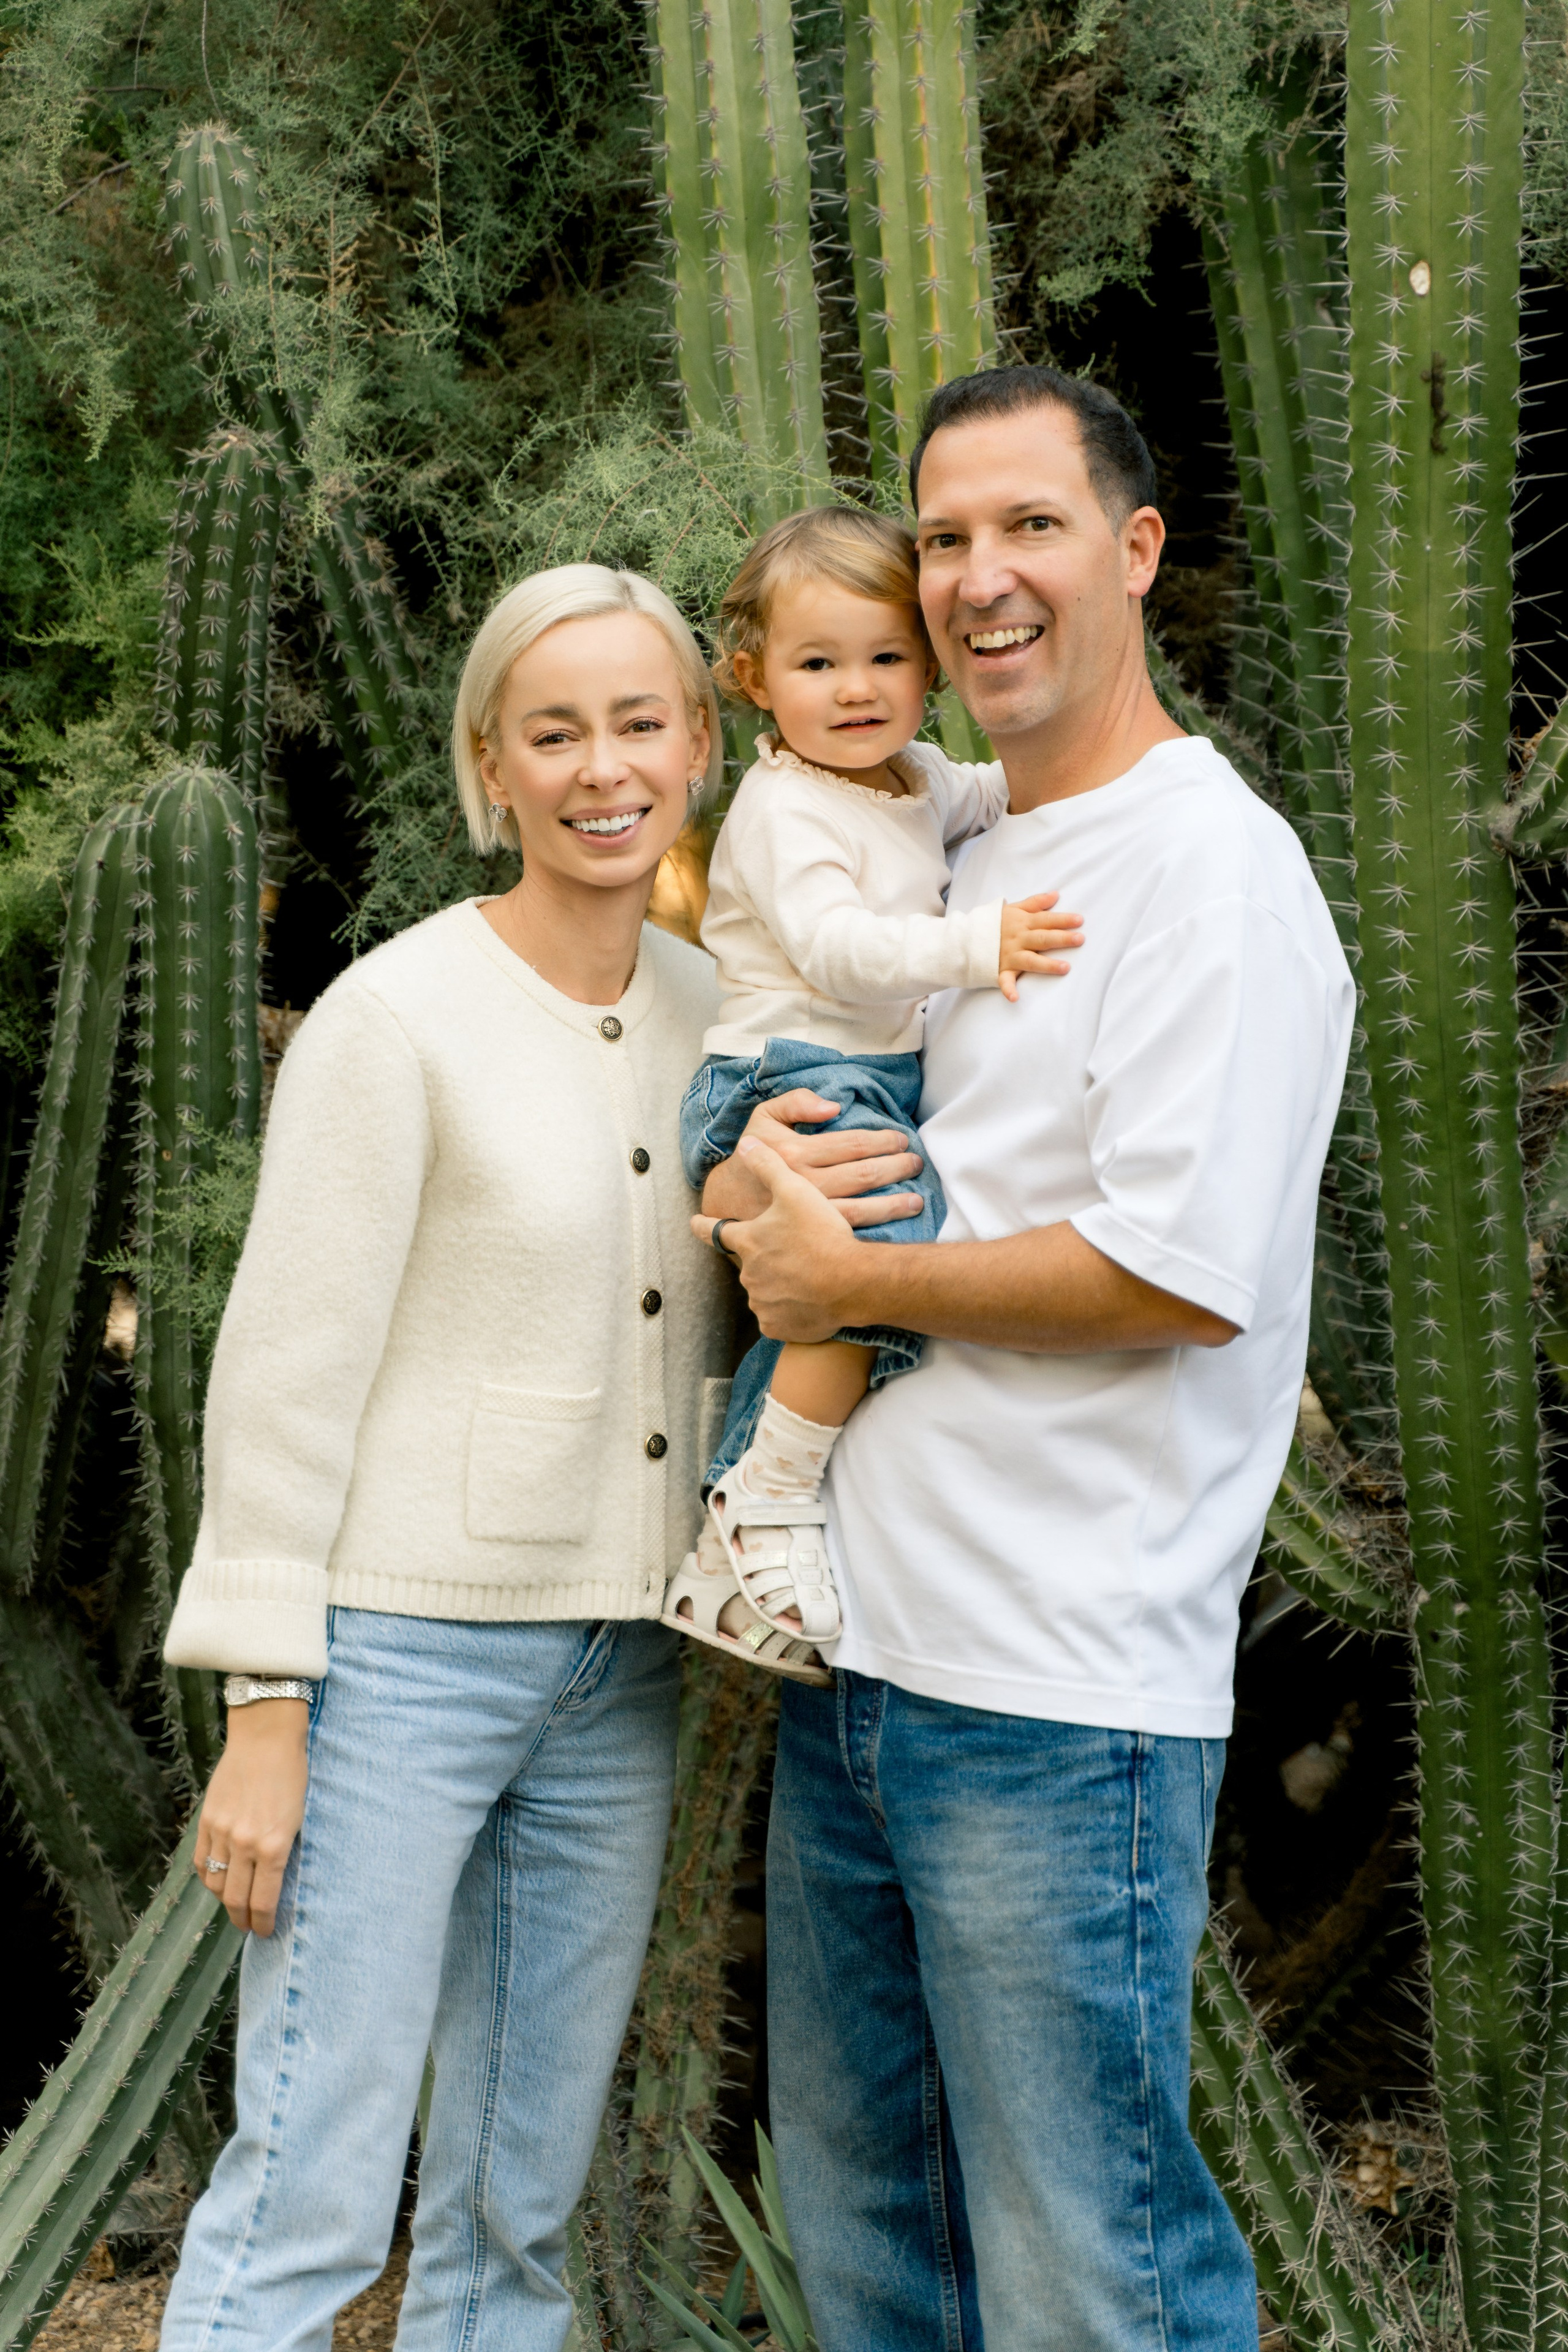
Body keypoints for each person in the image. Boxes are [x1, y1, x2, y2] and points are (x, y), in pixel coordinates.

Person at [696, 366, 1355, 2351]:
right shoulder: (944, 837)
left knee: (1092, 2283)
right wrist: (750, 1178)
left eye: (1032, 526)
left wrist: (851, 1283)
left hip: (1055, 1696)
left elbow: (1178, 1271)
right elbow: (814, 1095)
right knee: (874, 2261)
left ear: (1136, 550)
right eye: (947, 537)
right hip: (861, 1662)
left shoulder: (1209, 871)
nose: (980, 575)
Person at [157, 564, 733, 2352]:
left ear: (699, 747)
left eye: (638, 724)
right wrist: (269, 1702)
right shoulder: (394, 1016)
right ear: (491, 765)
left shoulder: (724, 1010)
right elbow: (283, 1372)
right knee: (308, 2191)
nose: (601, 769)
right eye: (553, 734)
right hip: (395, 1667)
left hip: (623, 1668)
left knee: (514, 2211)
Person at [665, 505, 1081, 1679]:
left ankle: (728, 1549)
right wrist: (976, 944)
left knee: (862, 1278)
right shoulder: (786, 809)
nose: (856, 689)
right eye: (817, 664)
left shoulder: (916, 778)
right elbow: (839, 950)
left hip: (868, 1074)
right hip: (784, 1074)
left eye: (887, 656)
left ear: (931, 664)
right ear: (754, 679)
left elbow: (1007, 796)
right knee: (875, 1255)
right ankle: (769, 1492)